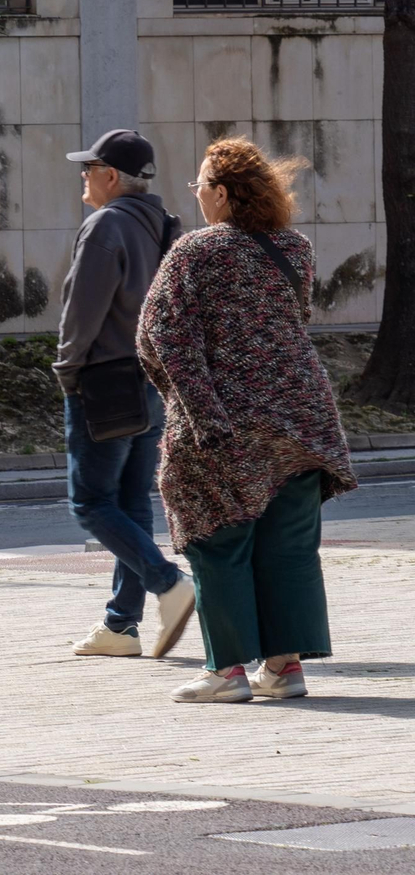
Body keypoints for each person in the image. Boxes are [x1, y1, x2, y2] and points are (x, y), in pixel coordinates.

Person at [139, 137, 356, 703]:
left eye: (200, 185)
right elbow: (291, 321)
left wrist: (196, 411)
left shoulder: (196, 250)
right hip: (304, 419)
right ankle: (284, 669)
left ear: (222, 193)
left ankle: (227, 672)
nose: (196, 193)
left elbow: (161, 336)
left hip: (228, 421)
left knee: (219, 539)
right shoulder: (295, 247)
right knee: (289, 547)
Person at [55, 129, 196, 658]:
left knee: (91, 502)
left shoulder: (106, 225)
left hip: (105, 380)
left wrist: (68, 370)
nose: (83, 177)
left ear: (110, 176)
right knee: (132, 503)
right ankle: (120, 626)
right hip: (151, 380)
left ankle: (169, 583)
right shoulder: (163, 224)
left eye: (88, 169)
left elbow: (82, 311)